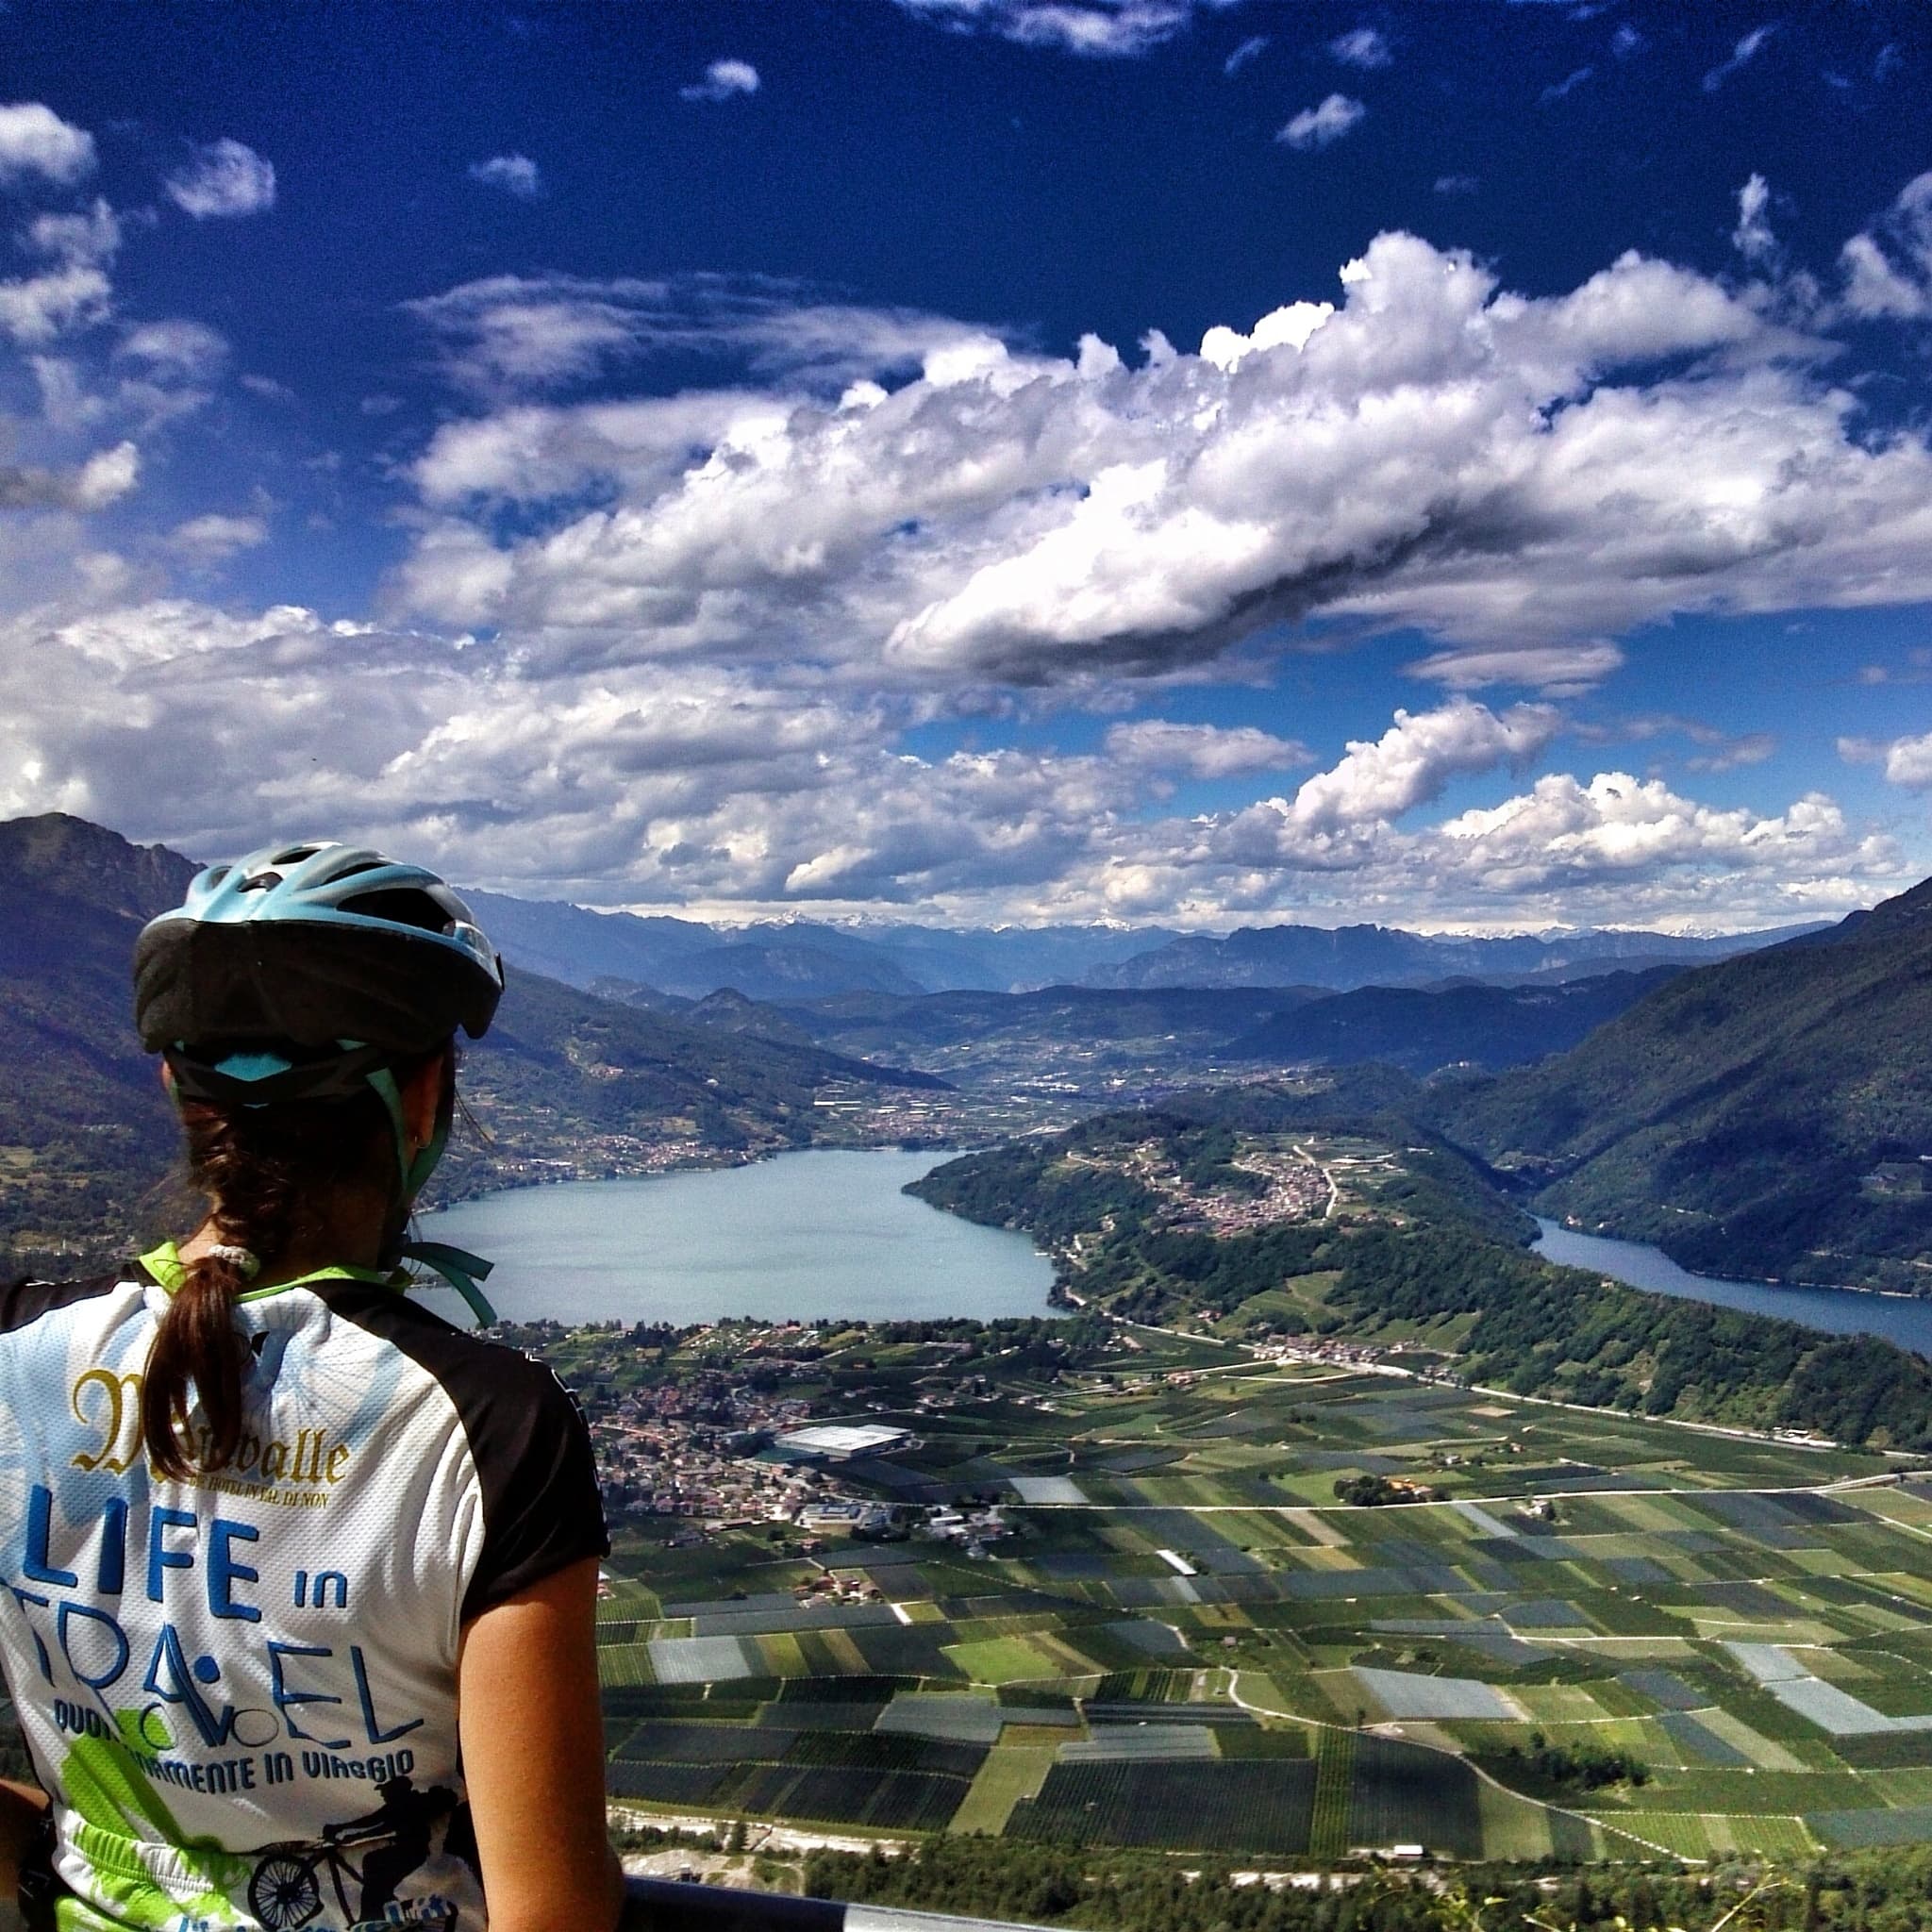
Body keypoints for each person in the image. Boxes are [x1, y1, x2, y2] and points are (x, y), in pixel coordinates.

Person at [0, 840, 625, 1932]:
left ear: (176, 1091)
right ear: (425, 1097)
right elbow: (554, 1909)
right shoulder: (487, 1426)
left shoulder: (18, 1352)